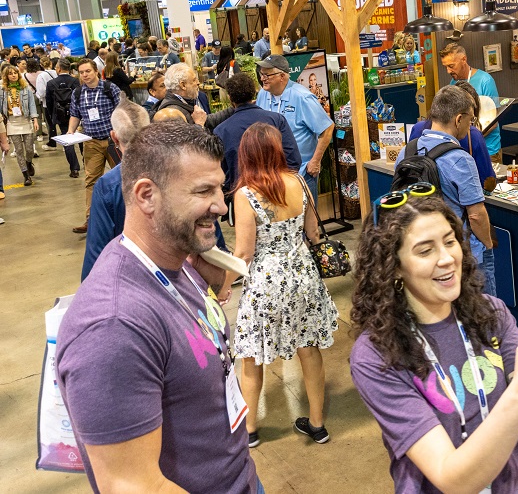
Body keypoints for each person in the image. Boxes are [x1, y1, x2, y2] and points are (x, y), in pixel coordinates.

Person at [56, 121, 261, 493]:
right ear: (147, 196)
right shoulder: (113, 326)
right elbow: (132, 484)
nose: (221, 205)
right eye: (204, 191)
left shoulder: (176, 262)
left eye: (220, 187)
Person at [350, 196, 518, 493]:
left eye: (450, 241)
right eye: (425, 250)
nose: (447, 258)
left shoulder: (489, 313)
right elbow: (451, 479)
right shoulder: (375, 355)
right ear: (393, 266)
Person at [216, 122, 338, 448]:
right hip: (303, 277)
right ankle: (317, 424)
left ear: (246, 155)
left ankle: (250, 429)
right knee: (308, 349)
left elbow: (244, 252)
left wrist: (224, 286)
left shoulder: (245, 194)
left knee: (251, 355)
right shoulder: (299, 181)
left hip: (265, 284)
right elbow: (313, 233)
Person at [395, 85, 496, 296]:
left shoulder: (406, 152)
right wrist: (487, 244)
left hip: (420, 249)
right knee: (482, 309)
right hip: (462, 252)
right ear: (458, 119)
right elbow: (476, 215)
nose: (470, 126)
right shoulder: (460, 159)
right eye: (470, 120)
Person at [81, 96, 150, 281]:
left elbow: (96, 255)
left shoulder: (108, 187)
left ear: (114, 137)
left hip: (130, 280)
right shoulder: (176, 171)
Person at [254, 55, 333, 202]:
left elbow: (327, 128)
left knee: (305, 215)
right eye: (261, 74)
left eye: (267, 75)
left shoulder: (302, 97)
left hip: (301, 173)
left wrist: (315, 161)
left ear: (282, 76)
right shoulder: (263, 95)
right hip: (272, 173)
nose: (262, 78)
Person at [214, 72, 300, 196]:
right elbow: (293, 160)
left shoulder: (221, 131)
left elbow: (222, 174)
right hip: (278, 191)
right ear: (254, 93)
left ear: (230, 97)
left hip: (242, 195)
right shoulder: (276, 120)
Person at [67, 58, 122, 233]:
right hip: (91, 142)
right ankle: (91, 220)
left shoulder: (110, 88)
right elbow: (75, 114)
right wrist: (70, 132)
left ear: (96, 71)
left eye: (88, 71)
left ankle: (128, 217)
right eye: (81, 72)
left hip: (114, 142)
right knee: (91, 180)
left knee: (123, 177)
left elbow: (122, 111)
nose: (85, 75)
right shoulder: (77, 93)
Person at [409, 80, 495, 190]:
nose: (470, 124)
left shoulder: (417, 130)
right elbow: (487, 180)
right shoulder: (472, 137)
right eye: (471, 119)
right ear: (460, 118)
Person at [440, 43, 502, 163]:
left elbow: (493, 122)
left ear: (464, 59)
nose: (448, 71)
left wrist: (470, 138)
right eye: (445, 67)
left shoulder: (485, 80)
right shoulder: (453, 83)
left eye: (451, 66)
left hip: (487, 151)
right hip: (463, 151)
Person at [1, 64, 38, 186]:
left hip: (25, 121)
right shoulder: (2, 91)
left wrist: (35, 119)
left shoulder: (25, 88)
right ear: (6, 76)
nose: (13, 75)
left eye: (15, 73)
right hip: (12, 123)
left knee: (29, 149)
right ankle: (26, 175)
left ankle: (29, 163)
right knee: (19, 150)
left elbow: (32, 104)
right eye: (10, 74)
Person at [45, 59, 81, 178]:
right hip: (76, 113)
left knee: (68, 140)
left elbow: (49, 102)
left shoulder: (51, 83)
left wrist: (53, 116)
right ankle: (86, 160)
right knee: (81, 138)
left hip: (61, 115)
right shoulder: (75, 81)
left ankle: (74, 168)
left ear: (59, 69)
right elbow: (80, 97)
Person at [36, 56, 58, 150]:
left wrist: (39, 96)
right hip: (61, 102)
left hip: (47, 103)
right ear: (51, 63)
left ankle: (52, 143)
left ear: (41, 65)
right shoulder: (57, 73)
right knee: (64, 123)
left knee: (51, 124)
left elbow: (41, 93)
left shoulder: (41, 76)